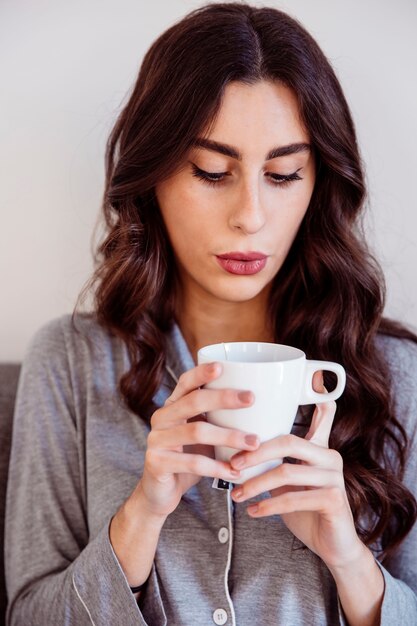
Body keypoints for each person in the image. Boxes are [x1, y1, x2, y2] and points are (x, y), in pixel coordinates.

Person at [5, 3, 417, 625]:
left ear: (318, 183)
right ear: (153, 177)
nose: (250, 215)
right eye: (212, 171)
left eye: (283, 174)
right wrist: (139, 516)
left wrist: (348, 559)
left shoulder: (396, 375)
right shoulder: (69, 363)